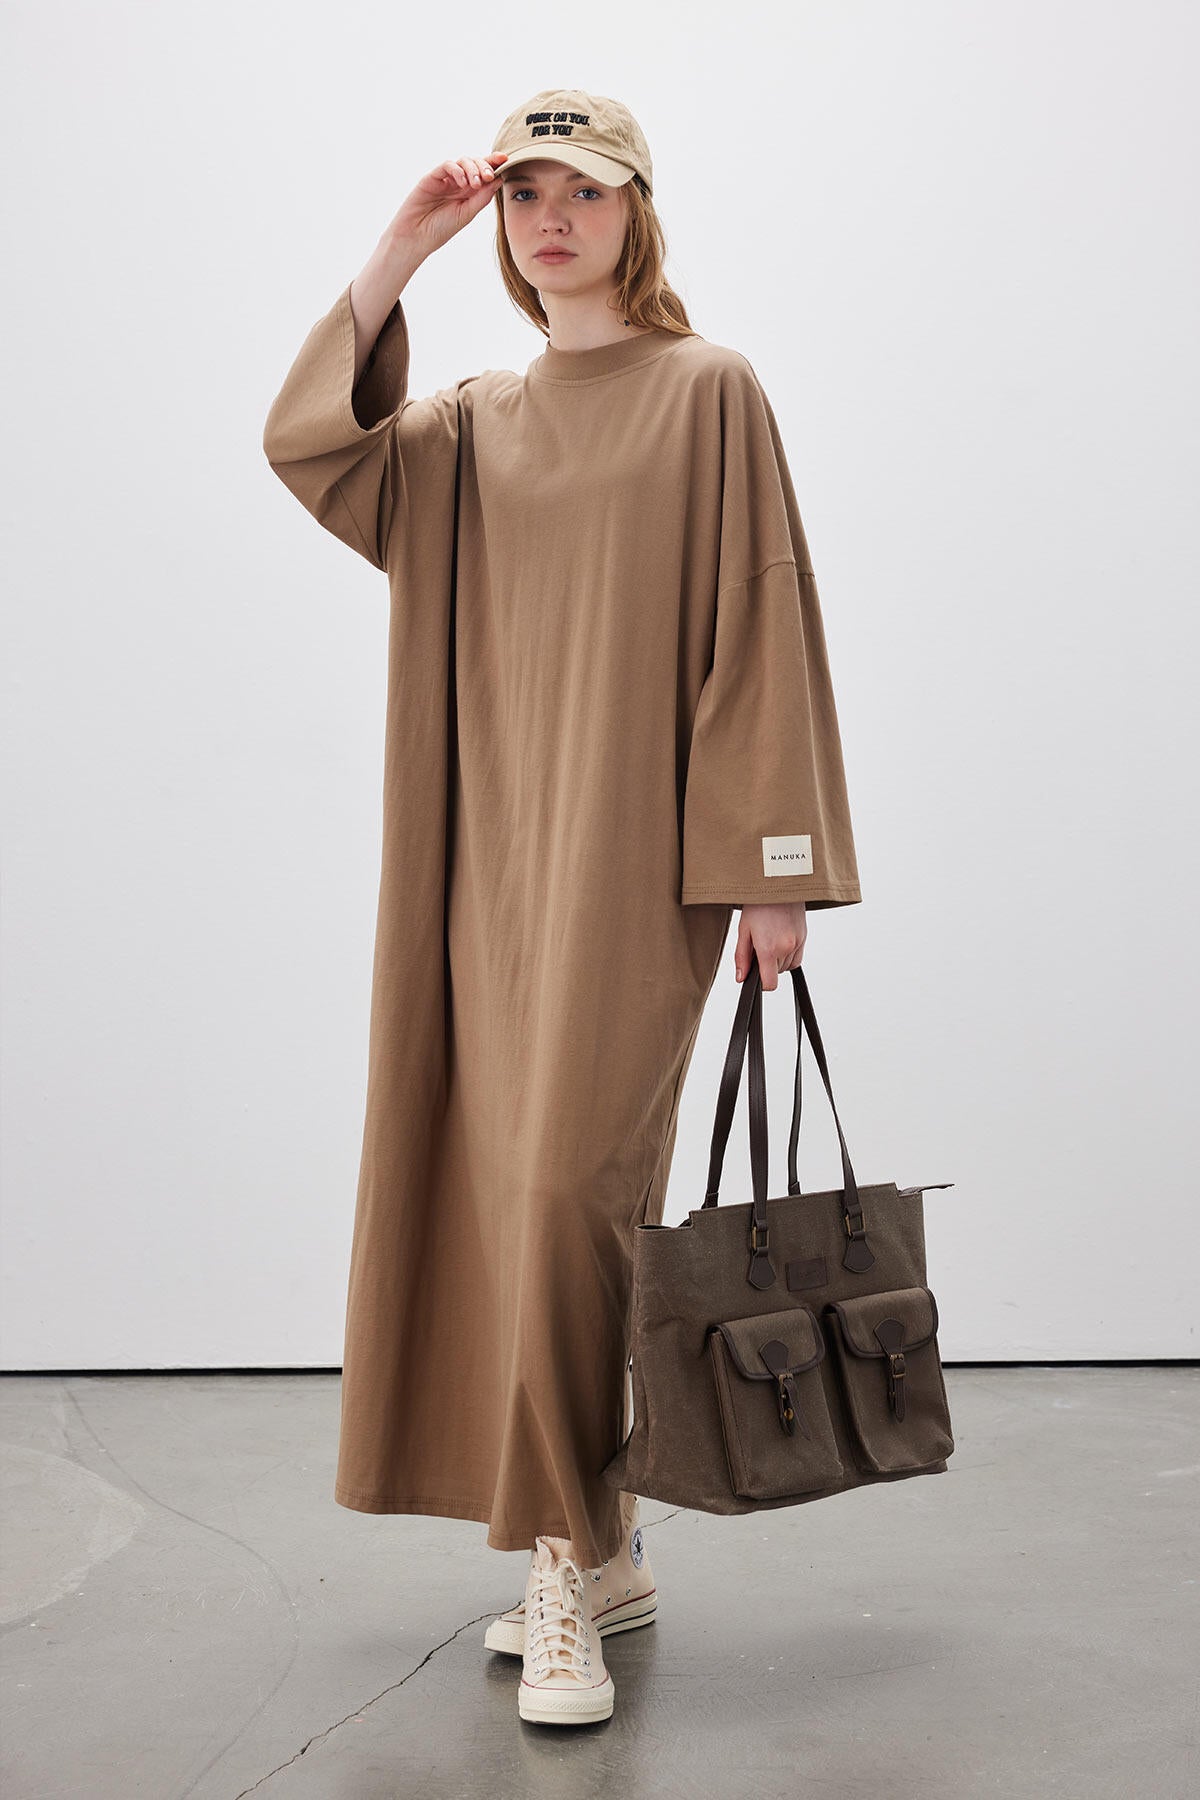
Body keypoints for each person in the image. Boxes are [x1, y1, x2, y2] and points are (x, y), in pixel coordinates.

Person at [262, 88, 862, 1729]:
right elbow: (313, 447)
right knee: (506, 1193)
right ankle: (601, 1550)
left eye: (582, 192)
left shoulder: (709, 391)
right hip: (478, 868)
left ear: (634, 213)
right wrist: (397, 252)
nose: (549, 218)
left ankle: (556, 1561)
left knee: (565, 1196)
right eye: (525, 194)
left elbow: (762, 623)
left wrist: (773, 874)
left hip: (636, 877)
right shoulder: (471, 423)